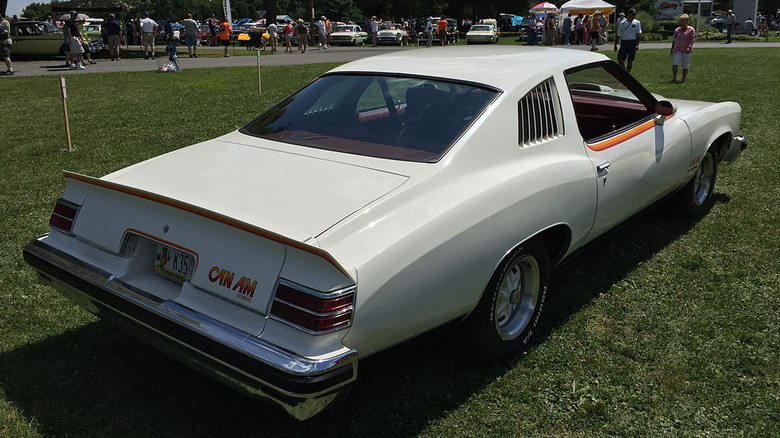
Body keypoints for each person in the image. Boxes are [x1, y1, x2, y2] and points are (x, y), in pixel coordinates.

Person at [670, 14, 696, 83]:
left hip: (686, 49)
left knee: (685, 64)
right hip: (678, 49)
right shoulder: (677, 30)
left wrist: (690, 46)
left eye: (684, 21)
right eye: (681, 21)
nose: (682, 23)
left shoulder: (691, 29)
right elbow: (674, 40)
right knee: (675, 62)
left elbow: (693, 38)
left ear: (687, 21)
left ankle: (683, 79)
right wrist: (672, 49)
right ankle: (674, 78)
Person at [614, 8, 641, 72]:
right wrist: (615, 44)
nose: (634, 16)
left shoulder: (637, 22)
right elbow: (618, 34)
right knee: (620, 59)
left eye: (634, 15)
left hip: (632, 43)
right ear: (628, 15)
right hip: (624, 42)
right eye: (632, 14)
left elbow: (638, 34)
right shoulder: (622, 23)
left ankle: (628, 73)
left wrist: (637, 44)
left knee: (630, 60)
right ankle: (624, 70)